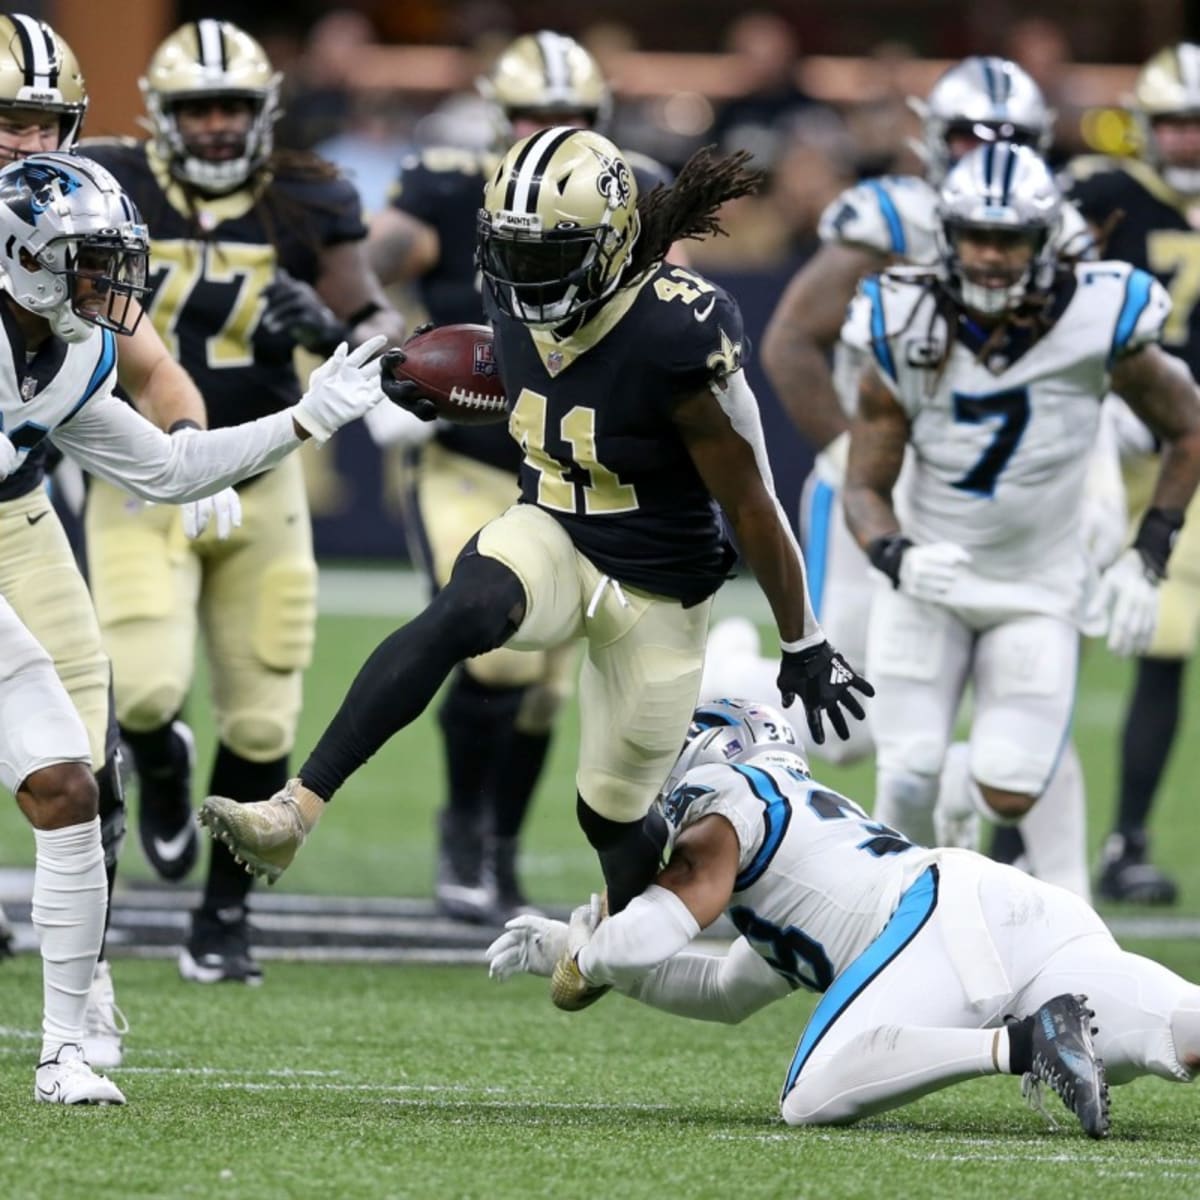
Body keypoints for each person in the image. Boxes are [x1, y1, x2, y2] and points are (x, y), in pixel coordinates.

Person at [200, 128, 872, 918]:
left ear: (613, 244)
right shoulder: (517, 295)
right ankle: (296, 808)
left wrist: (804, 639)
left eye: (549, 255)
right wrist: (430, 383)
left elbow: (749, 499)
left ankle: (632, 926)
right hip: (553, 527)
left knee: (612, 817)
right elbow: (547, 403)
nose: (526, 275)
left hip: (656, 582)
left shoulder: (678, 332)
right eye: (511, 252)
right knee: (467, 607)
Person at [0, 149, 386, 1103]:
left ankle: (64, 1050)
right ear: (23, 256)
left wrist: (307, 419)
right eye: (88, 260)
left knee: (65, 783)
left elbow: (166, 471)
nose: (112, 283)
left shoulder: (73, 345)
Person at [703, 58, 1105, 899]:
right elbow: (788, 342)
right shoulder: (893, 214)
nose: (983, 153)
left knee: (1015, 694)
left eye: (1006, 140)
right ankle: (731, 678)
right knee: (842, 724)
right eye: (967, 136)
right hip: (879, 490)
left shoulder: (1057, 231)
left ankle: (1044, 881)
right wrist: (854, 453)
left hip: (991, 503)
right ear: (932, 135)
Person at [80, 18, 403, 985]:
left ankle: (222, 920)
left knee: (262, 720)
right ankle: (164, 773)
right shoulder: (107, 185)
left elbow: (376, 315)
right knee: (138, 687)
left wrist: (334, 325)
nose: (217, 126)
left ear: (262, 113)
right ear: (160, 118)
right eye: (197, 109)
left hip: (263, 478)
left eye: (232, 107)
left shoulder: (308, 195)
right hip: (137, 474)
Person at [487, 700, 1200, 1135]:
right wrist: (561, 938)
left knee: (811, 1096)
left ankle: (1023, 1045)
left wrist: (584, 958)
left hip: (937, 914)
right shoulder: (793, 852)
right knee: (1182, 1028)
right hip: (1020, 909)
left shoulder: (728, 801)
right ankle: (1036, 1035)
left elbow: (652, 933)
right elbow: (721, 992)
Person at [365, 29, 678, 924]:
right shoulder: (455, 176)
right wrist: (391, 350)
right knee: (496, 658)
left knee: (544, 693)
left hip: (569, 465)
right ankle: (462, 831)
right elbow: (373, 268)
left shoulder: (634, 187)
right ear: (501, 118)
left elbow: (673, 298)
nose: (552, 129)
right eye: (536, 116)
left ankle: (497, 848)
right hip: (469, 454)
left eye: (570, 117)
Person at [840, 145, 1200, 884]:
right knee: (905, 776)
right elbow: (863, 486)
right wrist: (895, 555)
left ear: (1045, 242)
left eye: (1009, 239)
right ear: (948, 236)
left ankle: (964, 793)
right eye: (975, 235)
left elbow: (1188, 426)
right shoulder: (902, 320)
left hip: (1039, 583)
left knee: (1011, 789)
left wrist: (1150, 550)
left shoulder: (1099, 316)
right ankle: (889, 931)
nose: (991, 255)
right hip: (931, 578)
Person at [0, 10, 239, 1069]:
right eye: (7, 119)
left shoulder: (60, 217)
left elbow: (148, 361)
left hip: (15, 508)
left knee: (83, 753)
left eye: (44, 121)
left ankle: (82, 984)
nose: (27, 142)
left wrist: (184, 450)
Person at [1067, 43, 1200, 905]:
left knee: (1165, 638)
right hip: (1094, 441)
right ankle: (1010, 836)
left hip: (1190, 453)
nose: (1188, 141)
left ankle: (1127, 841)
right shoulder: (1099, 193)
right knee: (1039, 627)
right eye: (1177, 124)